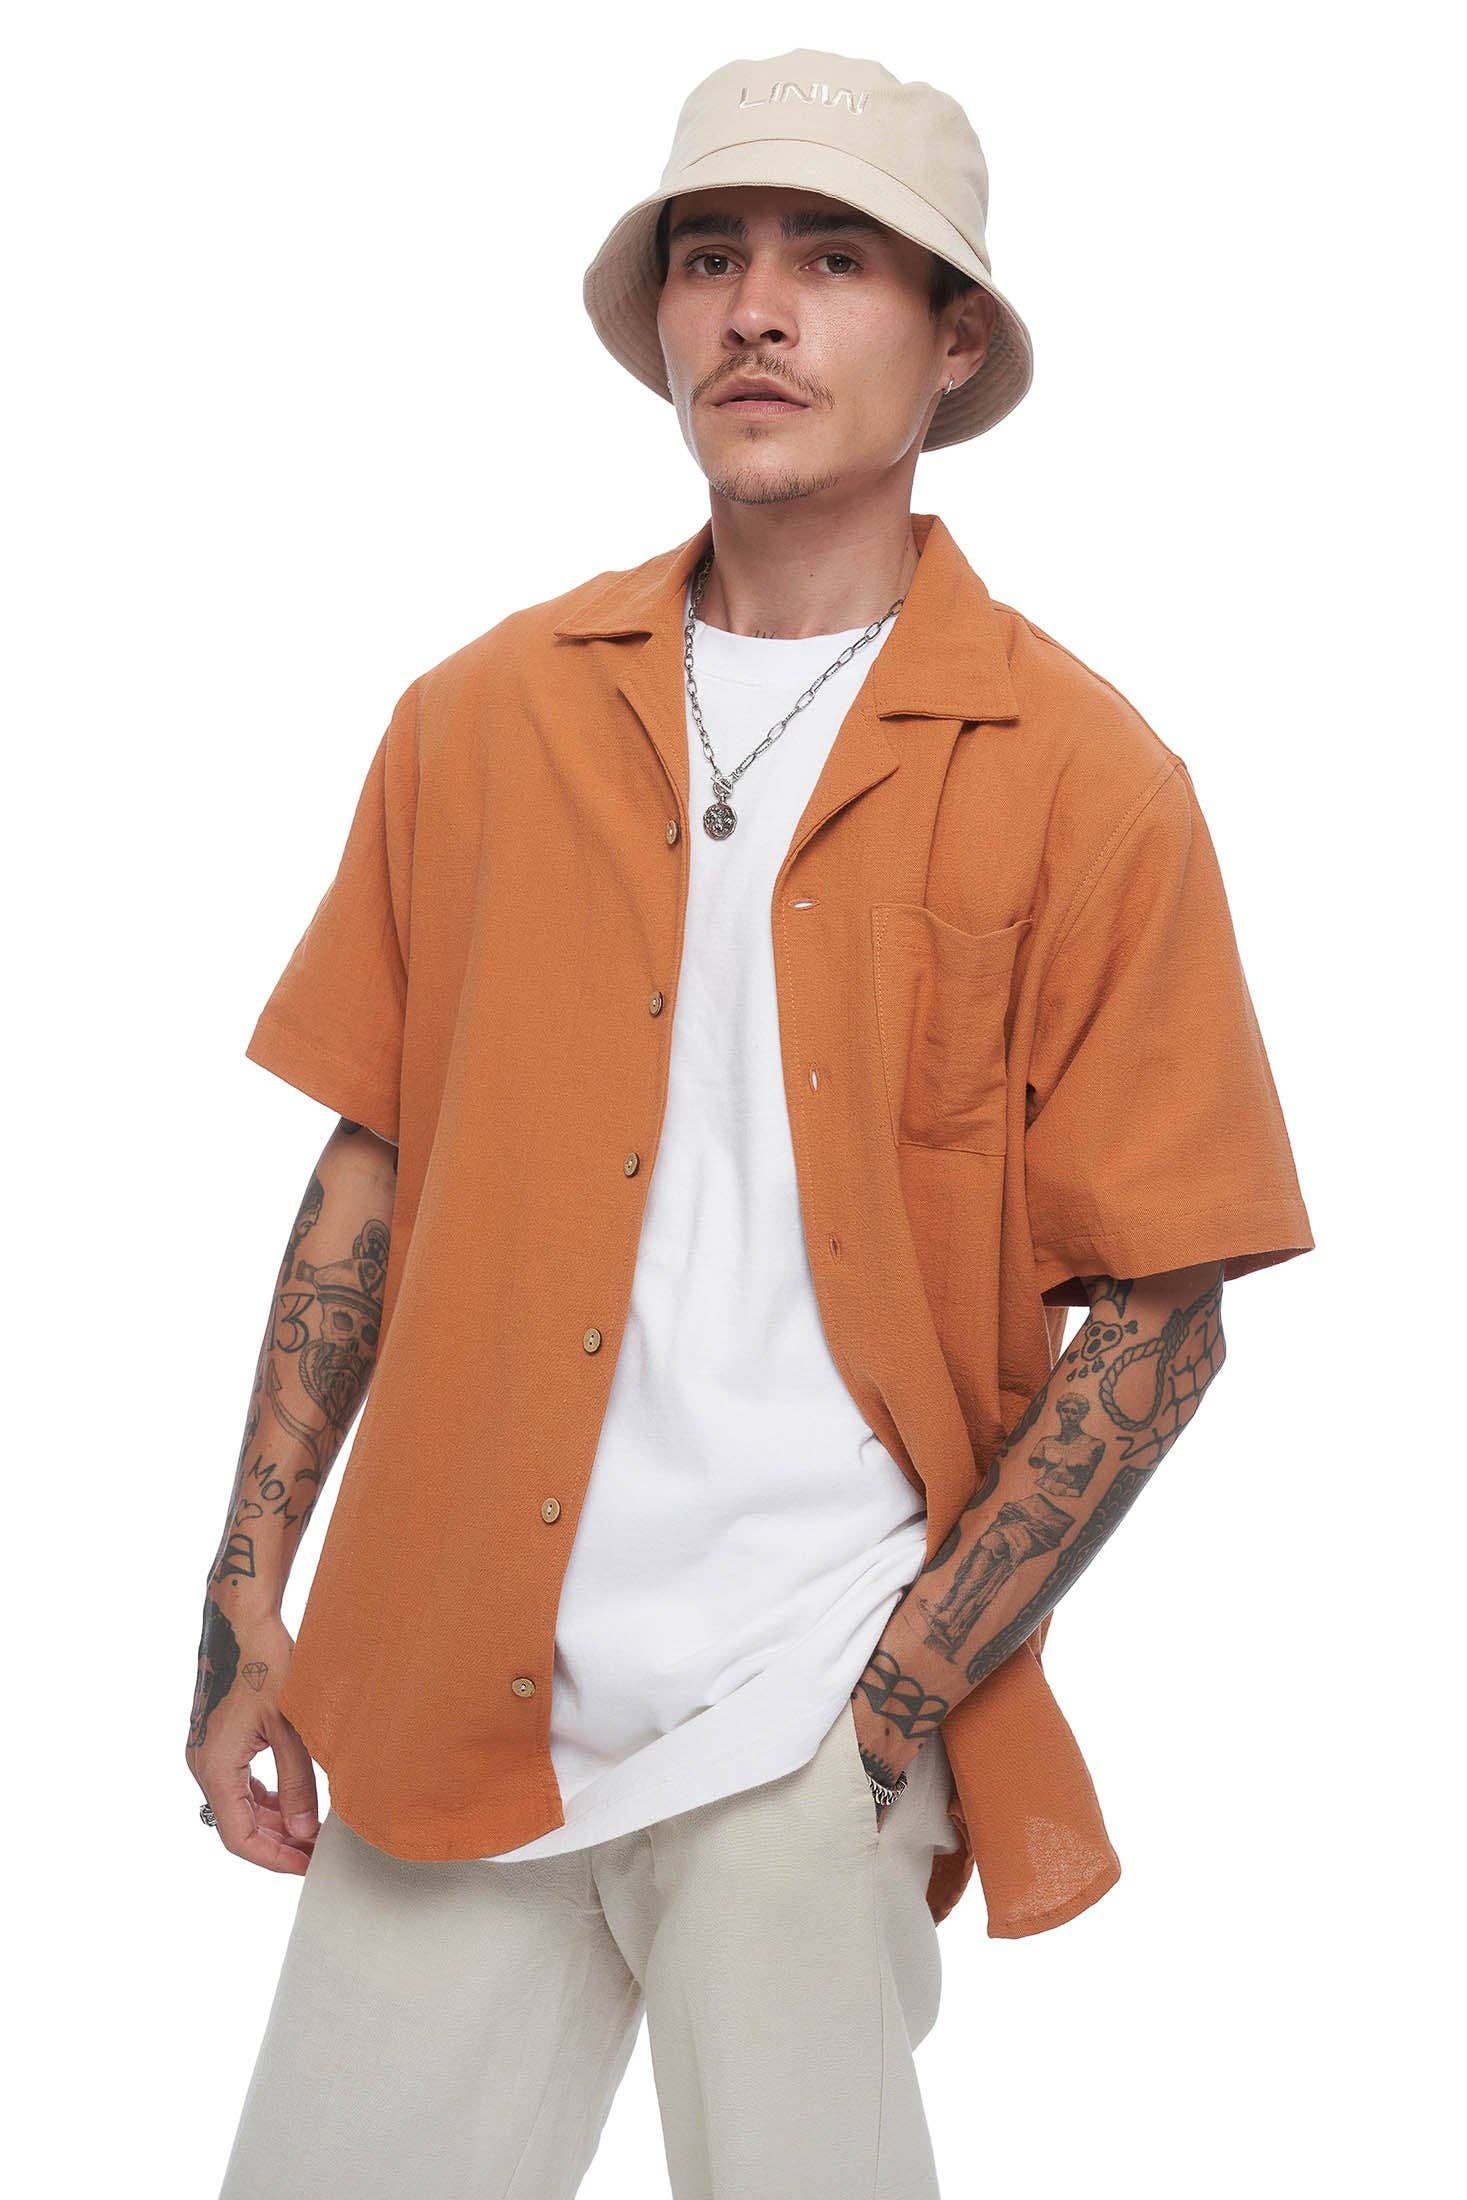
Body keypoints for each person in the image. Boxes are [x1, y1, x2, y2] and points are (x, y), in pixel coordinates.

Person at [196, 47, 1315, 2200]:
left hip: (803, 1708)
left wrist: (889, 1711)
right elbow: (371, 1171)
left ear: (953, 336)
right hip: (446, 1669)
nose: (757, 311)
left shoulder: (1084, 778)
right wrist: (248, 1588)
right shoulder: (478, 722)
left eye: (834, 260)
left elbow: (1167, 1308)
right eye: (708, 257)